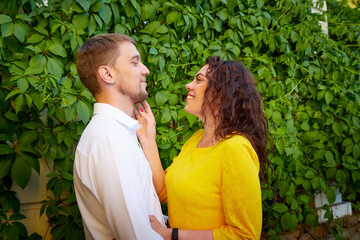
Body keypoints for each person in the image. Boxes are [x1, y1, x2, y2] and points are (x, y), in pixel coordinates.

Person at [134, 56, 270, 240]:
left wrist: (171, 235)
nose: (188, 85)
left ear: (222, 93)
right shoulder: (196, 139)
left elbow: (244, 235)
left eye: (199, 80)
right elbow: (165, 191)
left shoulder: (236, 149)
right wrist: (147, 138)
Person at [73, 33, 165, 240]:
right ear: (107, 74)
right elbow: (136, 236)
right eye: (135, 63)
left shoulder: (118, 133)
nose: (146, 70)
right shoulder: (110, 140)